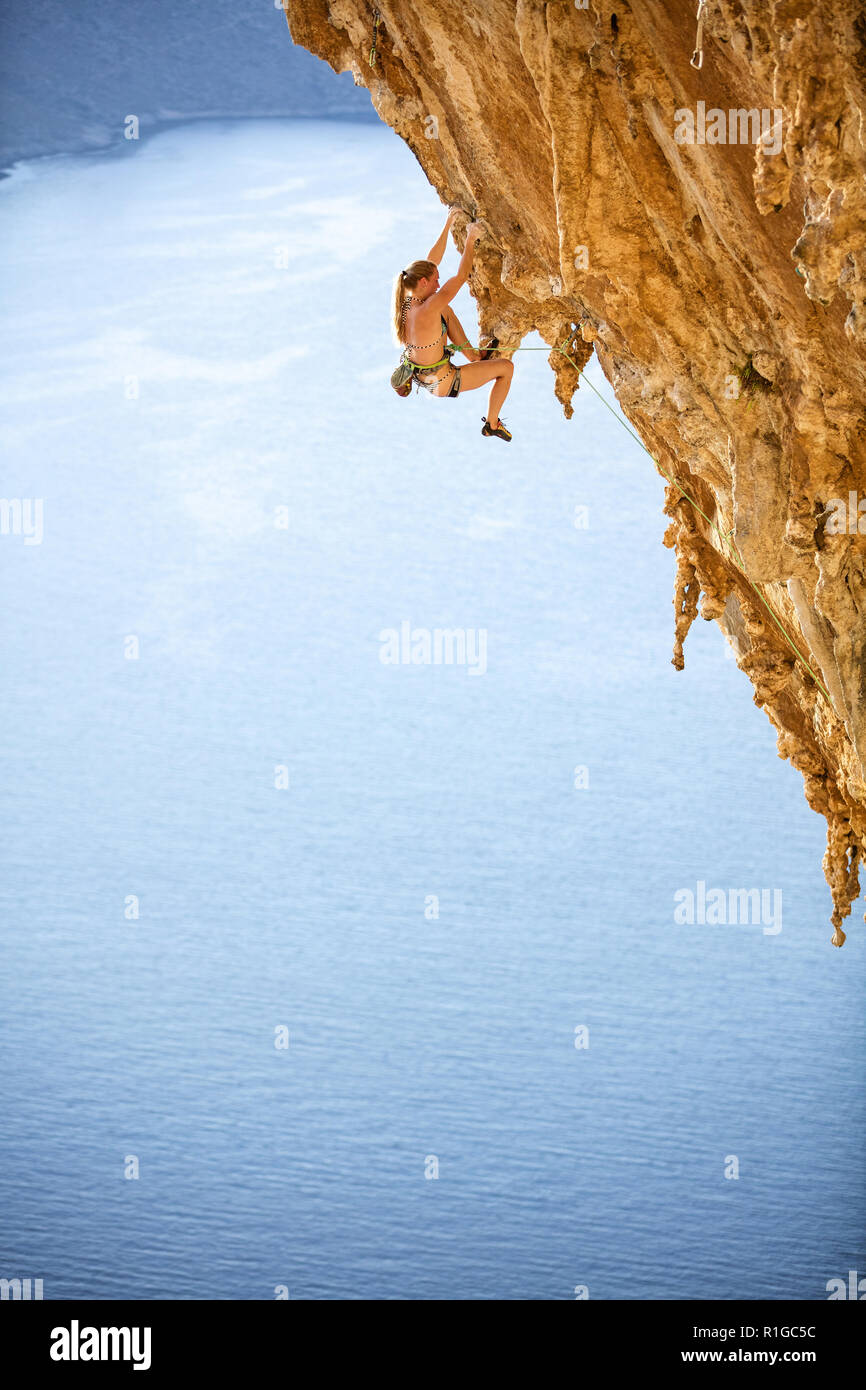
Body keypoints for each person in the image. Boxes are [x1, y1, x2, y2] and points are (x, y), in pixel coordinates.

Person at [392, 207, 514, 441]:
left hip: (426, 377)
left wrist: (448, 224)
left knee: (445, 312)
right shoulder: (429, 309)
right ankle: (492, 423)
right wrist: (470, 239)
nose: (438, 285)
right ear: (424, 282)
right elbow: (459, 278)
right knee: (506, 369)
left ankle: (475, 356)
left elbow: (431, 261)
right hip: (446, 382)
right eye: (435, 281)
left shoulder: (407, 301)